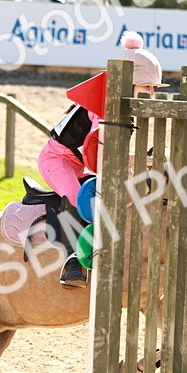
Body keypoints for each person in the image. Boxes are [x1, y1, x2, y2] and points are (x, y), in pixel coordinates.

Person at [40, 31, 167, 287]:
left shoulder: (122, 108)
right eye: (147, 87)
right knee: (82, 201)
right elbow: (103, 157)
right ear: (128, 84)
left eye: (154, 88)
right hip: (57, 160)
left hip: (80, 162)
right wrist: (141, 161)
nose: (152, 94)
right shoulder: (105, 107)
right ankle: (73, 261)